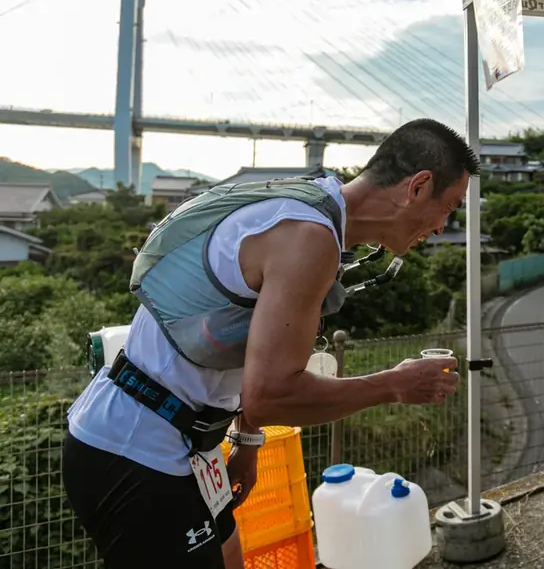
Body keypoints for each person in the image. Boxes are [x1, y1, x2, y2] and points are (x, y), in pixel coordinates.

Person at [61, 118, 480, 569]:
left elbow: (253, 347)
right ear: (417, 187)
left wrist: (245, 440)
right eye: (448, 207)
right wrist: (394, 385)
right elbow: (272, 395)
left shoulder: (312, 205)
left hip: (183, 442)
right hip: (134, 448)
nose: (442, 227)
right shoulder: (308, 238)